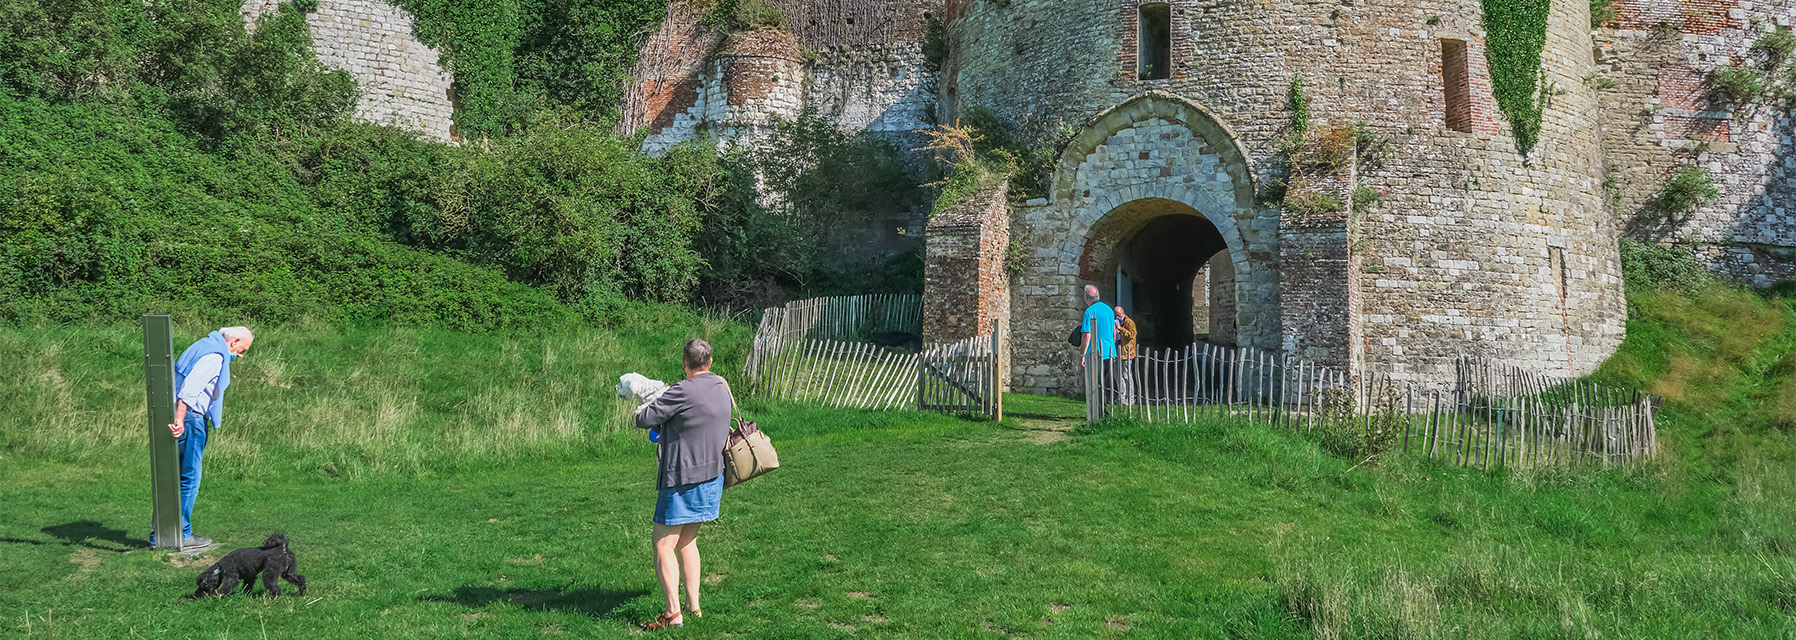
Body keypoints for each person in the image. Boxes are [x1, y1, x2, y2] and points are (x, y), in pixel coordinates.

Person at [634, 339, 732, 630]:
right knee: (688, 541)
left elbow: (644, 418)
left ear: (684, 363)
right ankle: (694, 607)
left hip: (681, 479)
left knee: (663, 543)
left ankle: (672, 614)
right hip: (712, 476)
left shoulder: (681, 389)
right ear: (710, 362)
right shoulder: (721, 386)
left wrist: (649, 401)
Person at [155, 326, 254, 549]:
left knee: (171, 479)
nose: (239, 356)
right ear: (234, 341)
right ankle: (182, 533)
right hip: (191, 420)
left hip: (179, 415)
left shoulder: (201, 345)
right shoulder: (214, 355)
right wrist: (181, 418)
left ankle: (160, 535)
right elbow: (191, 389)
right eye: (241, 350)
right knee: (189, 478)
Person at [1115, 306, 1137, 404]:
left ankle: (1131, 398)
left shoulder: (1129, 322)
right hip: (1119, 352)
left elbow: (1132, 335)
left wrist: (1120, 329)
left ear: (1122, 313)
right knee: (1119, 376)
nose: (1117, 317)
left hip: (1127, 353)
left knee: (1127, 376)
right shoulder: (1120, 322)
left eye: (1118, 315)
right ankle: (1122, 398)